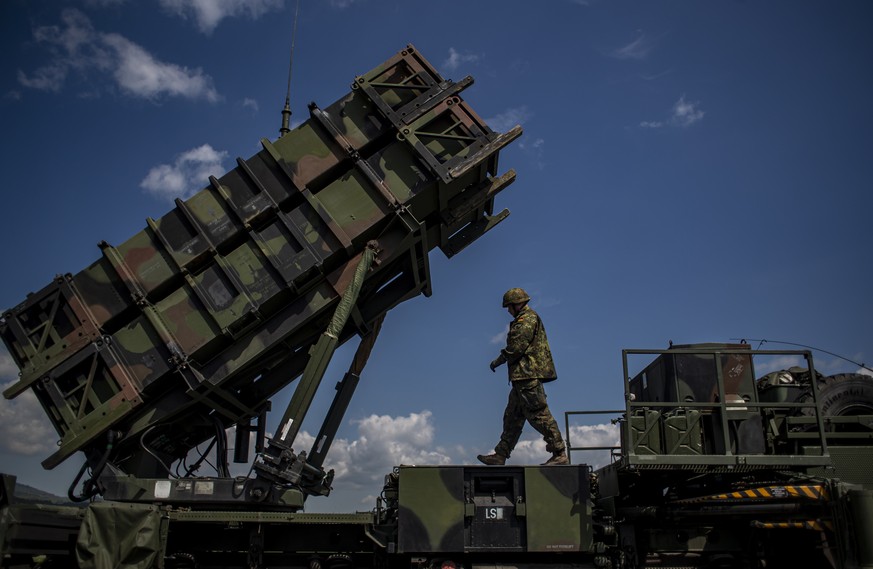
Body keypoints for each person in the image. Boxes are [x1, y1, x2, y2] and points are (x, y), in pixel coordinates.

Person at [477, 288, 568, 466]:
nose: (508, 311)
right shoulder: (523, 318)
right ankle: (501, 454)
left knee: (539, 414)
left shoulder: (527, 319)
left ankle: (559, 452)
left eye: (509, 307)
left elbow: (516, 347)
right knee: (512, 417)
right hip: (522, 378)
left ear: (517, 304)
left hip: (527, 375)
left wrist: (499, 360)